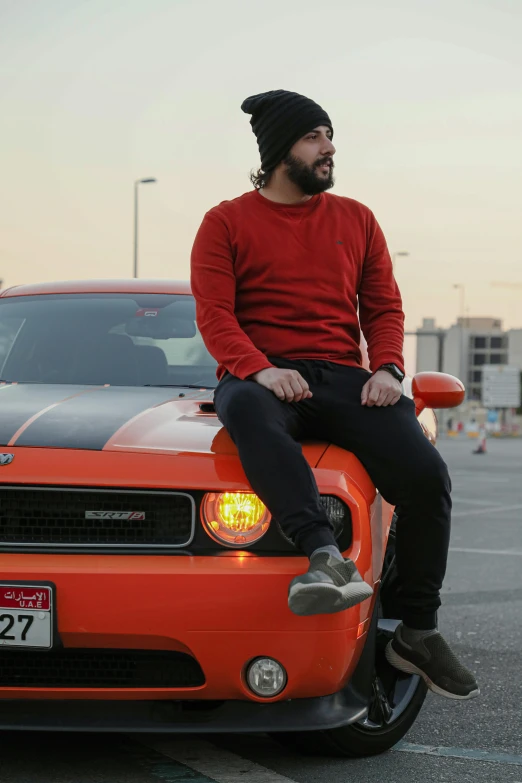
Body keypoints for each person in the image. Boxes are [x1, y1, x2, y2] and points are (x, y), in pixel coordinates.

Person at [190, 89, 479, 701]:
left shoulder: (357, 218)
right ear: (278, 152)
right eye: (315, 137)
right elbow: (215, 316)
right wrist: (258, 370)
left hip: (346, 378)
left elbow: (383, 307)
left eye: (329, 135)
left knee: (428, 477)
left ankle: (417, 630)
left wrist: (390, 369)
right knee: (239, 404)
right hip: (266, 378)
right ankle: (326, 555)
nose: (330, 148)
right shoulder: (225, 222)